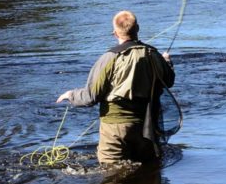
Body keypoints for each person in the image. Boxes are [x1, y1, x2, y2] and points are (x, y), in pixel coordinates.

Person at [57, 10, 175, 165]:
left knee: (111, 175)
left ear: (115, 33)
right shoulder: (154, 55)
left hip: (114, 127)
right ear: (137, 28)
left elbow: (91, 96)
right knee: (147, 171)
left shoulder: (108, 58)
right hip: (146, 126)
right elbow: (168, 81)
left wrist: (70, 95)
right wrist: (167, 62)